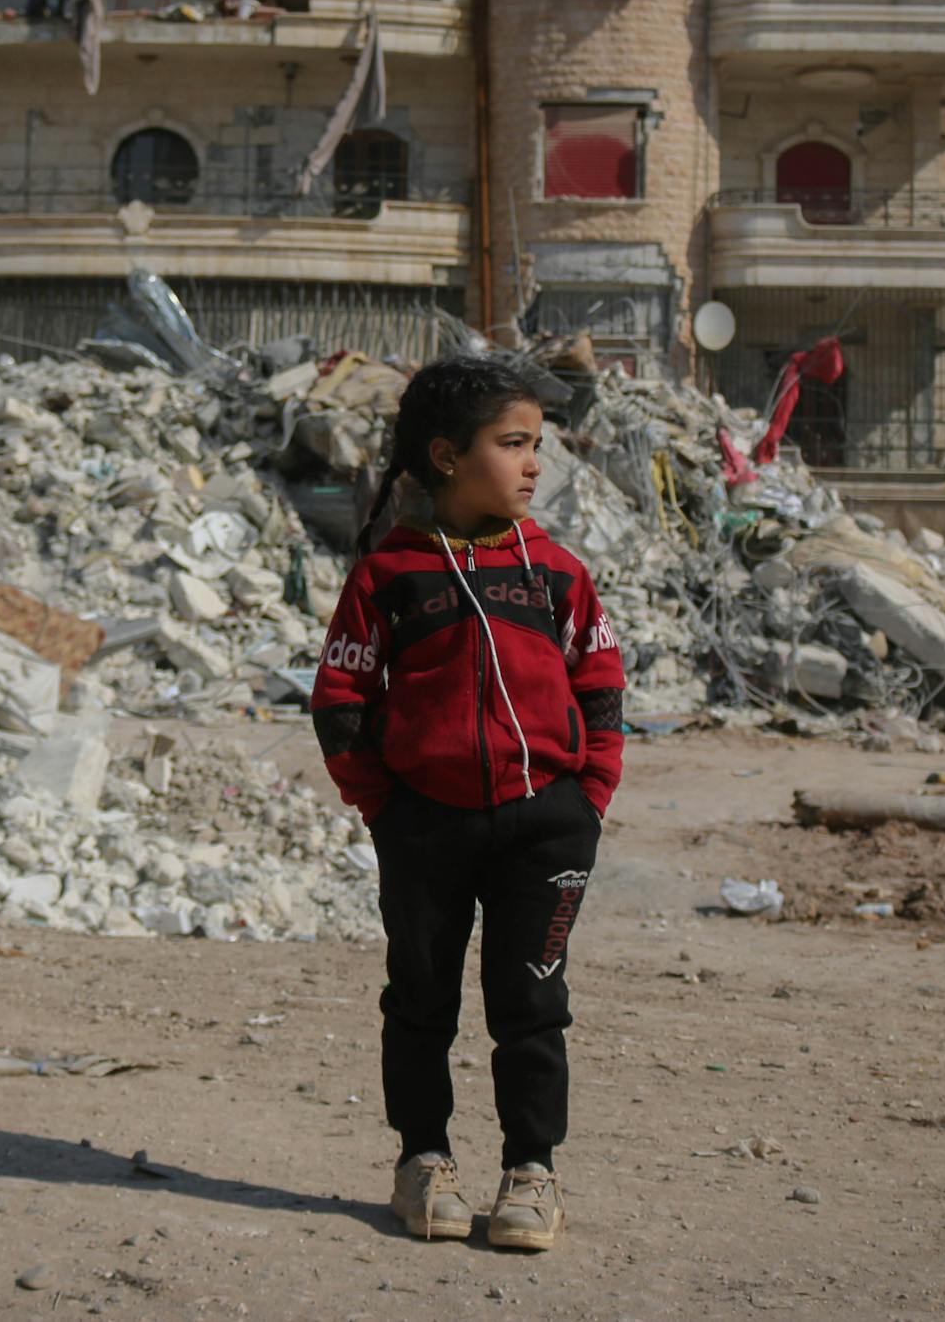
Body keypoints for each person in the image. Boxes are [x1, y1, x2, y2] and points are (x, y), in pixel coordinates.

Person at [310, 355, 625, 1252]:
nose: (534, 463)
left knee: (532, 1002)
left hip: (545, 825)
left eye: (538, 444)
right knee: (421, 998)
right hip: (425, 827)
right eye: (514, 444)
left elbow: (601, 687)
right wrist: (386, 809)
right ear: (447, 456)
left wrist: (587, 798)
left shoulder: (558, 571)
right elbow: (341, 701)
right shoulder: (391, 575)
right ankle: (423, 1160)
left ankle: (533, 1168)